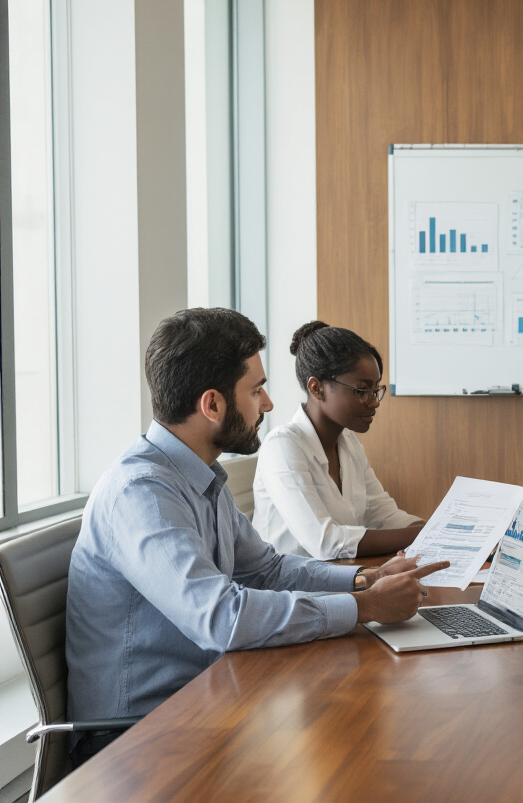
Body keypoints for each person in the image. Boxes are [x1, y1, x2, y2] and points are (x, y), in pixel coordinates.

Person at [66, 308, 448, 762]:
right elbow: (221, 618)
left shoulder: (198, 476)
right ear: (213, 405)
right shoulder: (143, 494)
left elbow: (265, 569)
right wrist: (365, 606)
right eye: (256, 389)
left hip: (210, 699)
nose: (267, 404)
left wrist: (363, 579)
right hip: (141, 737)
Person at [253, 321, 424, 559]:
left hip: (340, 578)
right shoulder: (282, 446)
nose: (374, 402)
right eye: (362, 390)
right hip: (289, 592)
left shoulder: (349, 442)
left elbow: (383, 515)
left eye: (376, 390)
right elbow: (325, 542)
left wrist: (438, 530)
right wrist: (424, 535)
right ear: (316, 388)